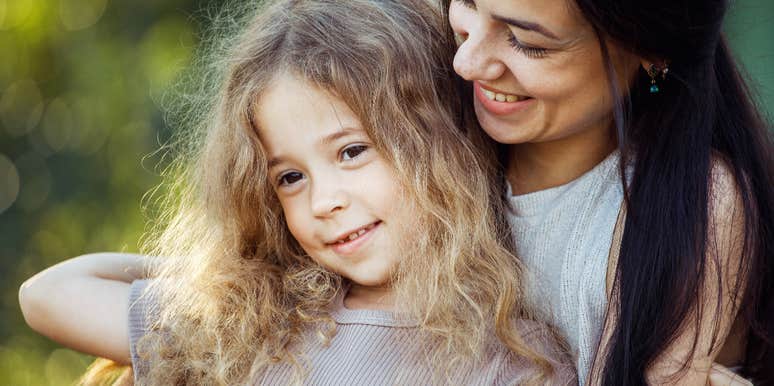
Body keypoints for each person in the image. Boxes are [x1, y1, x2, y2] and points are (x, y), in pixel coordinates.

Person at [18, 0, 578, 385]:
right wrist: (226, 286)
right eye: (290, 177)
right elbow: (49, 294)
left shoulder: (515, 358)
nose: (323, 201)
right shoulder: (263, 327)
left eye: (351, 152)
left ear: (441, 145)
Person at [445, 0, 773, 384]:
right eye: (468, 2)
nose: (465, 62)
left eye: (525, 41)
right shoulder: (416, 111)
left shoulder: (693, 209)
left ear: (649, 53)